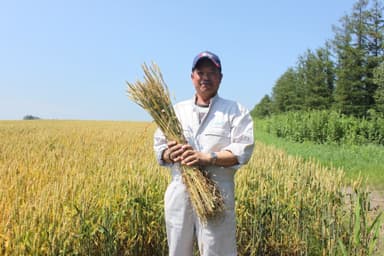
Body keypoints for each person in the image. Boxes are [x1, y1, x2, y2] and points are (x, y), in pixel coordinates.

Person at [153, 51, 254, 256]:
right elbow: (159, 149)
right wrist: (171, 154)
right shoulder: (175, 111)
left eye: (212, 72)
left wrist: (208, 158)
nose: (205, 77)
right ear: (192, 77)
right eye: (201, 72)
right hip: (180, 188)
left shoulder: (235, 111)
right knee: (178, 249)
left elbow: (243, 150)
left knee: (217, 250)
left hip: (217, 193)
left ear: (221, 77)